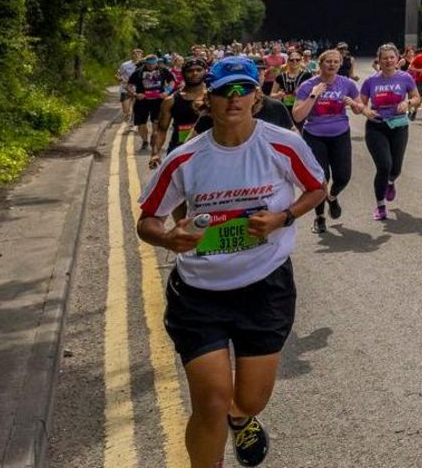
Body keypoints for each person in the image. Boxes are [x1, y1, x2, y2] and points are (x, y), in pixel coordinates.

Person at [135, 56, 327, 468]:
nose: (234, 99)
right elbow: (147, 220)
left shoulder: (283, 144)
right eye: (225, 91)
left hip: (265, 287)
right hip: (200, 295)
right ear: (210, 99)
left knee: (250, 398)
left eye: (243, 90)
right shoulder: (186, 159)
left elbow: (316, 188)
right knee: (210, 401)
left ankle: (241, 419)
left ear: (257, 97)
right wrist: (170, 237)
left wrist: (282, 217)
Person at [292, 49, 363, 234]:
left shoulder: (346, 84)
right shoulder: (308, 85)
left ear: (340, 64)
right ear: (320, 63)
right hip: (314, 135)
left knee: (343, 176)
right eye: (328, 61)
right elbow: (298, 115)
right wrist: (314, 95)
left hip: (340, 134)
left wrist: (355, 105)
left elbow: (359, 108)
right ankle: (320, 217)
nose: (332, 64)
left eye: (336, 62)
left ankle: (332, 197)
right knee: (320, 178)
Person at [360, 43, 420, 221]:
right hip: (376, 126)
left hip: (399, 126)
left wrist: (407, 103)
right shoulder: (370, 81)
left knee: (396, 168)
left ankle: (391, 182)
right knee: (384, 166)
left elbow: (416, 97)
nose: (388, 61)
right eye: (384, 58)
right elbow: (360, 103)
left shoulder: (405, 78)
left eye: (391, 57)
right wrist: (365, 111)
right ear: (379, 60)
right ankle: (380, 206)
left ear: (397, 59)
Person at [150, 59, 208, 170]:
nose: (195, 73)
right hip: (180, 151)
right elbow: (161, 130)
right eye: (190, 70)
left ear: (205, 71)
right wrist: (155, 153)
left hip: (208, 151)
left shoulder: (216, 97)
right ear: (183, 73)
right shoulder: (170, 101)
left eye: (199, 70)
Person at [132, 54, 177, 152]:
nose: (151, 66)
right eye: (149, 64)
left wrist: (166, 92)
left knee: (156, 122)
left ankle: (154, 137)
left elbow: (172, 82)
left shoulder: (163, 71)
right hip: (142, 101)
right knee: (141, 123)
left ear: (156, 62)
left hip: (157, 101)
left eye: (153, 64)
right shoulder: (138, 72)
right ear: (146, 63)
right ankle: (144, 141)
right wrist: (135, 94)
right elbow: (128, 85)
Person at [118, 48, 141, 127]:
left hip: (137, 89)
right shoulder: (125, 65)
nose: (137, 56)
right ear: (132, 55)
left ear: (141, 56)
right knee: (126, 109)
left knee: (135, 107)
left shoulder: (143, 65)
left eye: (139, 54)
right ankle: (128, 115)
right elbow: (118, 74)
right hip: (125, 88)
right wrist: (120, 79)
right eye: (135, 54)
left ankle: (132, 121)